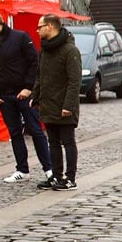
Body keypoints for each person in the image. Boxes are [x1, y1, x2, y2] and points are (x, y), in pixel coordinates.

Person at [0, 10, 52, 185]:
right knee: (14, 132)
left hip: (24, 94)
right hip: (4, 96)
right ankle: (22, 169)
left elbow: (34, 62)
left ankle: (49, 169)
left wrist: (29, 88)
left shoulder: (20, 37)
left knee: (36, 130)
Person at [33, 15, 81, 191]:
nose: (37, 30)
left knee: (68, 141)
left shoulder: (70, 50)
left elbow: (74, 81)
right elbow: (40, 76)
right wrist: (35, 96)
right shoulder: (45, 50)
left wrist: (68, 105)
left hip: (64, 106)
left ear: (51, 26)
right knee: (52, 142)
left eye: (40, 27)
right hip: (49, 104)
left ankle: (70, 178)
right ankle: (56, 175)